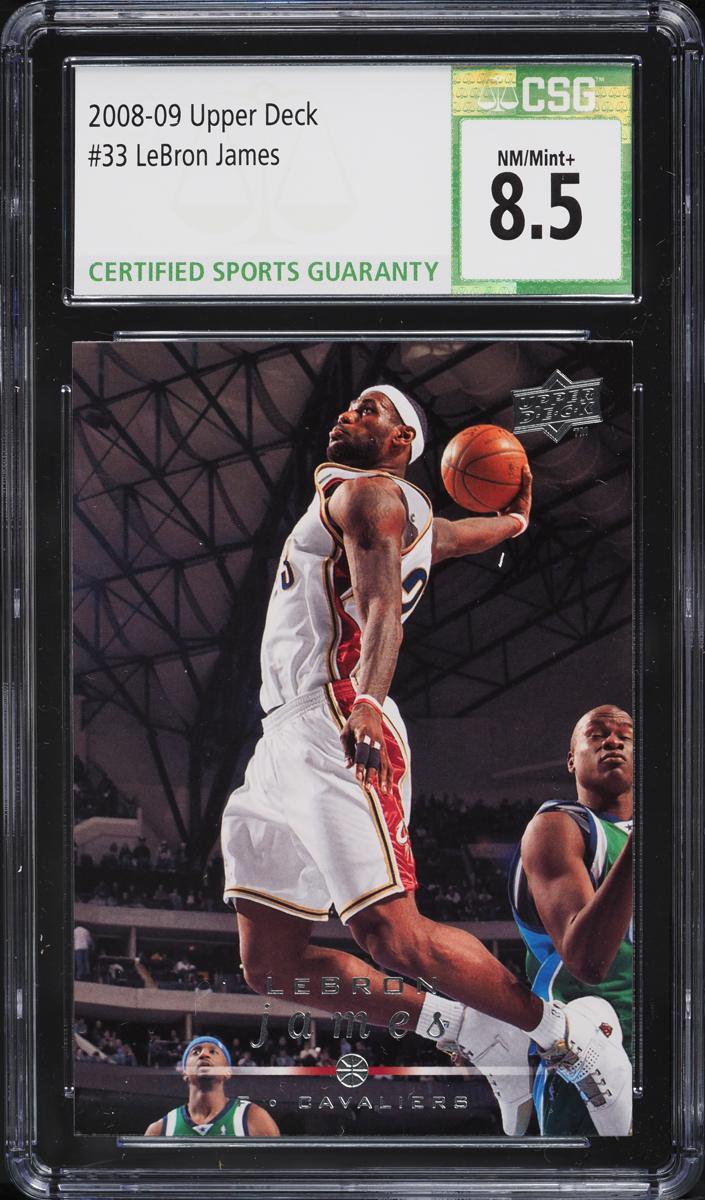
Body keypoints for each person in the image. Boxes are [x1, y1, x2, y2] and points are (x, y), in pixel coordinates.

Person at [220, 384, 632, 1135]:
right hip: (279, 738)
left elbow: (382, 607)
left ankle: (566, 1037)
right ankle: (476, 1031)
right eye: (350, 407)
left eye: (370, 410)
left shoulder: (370, 495)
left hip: (335, 711)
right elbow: (456, 535)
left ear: (402, 442)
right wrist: (511, 521)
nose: (348, 414)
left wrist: (369, 702)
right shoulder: (398, 515)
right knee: (270, 965)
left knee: (393, 936)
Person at [509, 705, 634, 1134]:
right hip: (590, 1053)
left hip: (675, 1043)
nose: (613, 740)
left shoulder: (680, 834)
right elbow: (587, 962)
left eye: (625, 735)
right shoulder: (559, 827)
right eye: (597, 734)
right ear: (571, 759)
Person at [144, 1037, 279, 1137]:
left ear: (227, 1072)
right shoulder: (159, 1130)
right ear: (185, 1073)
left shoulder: (254, 1118)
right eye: (196, 1052)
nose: (204, 1054)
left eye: (213, 1052)